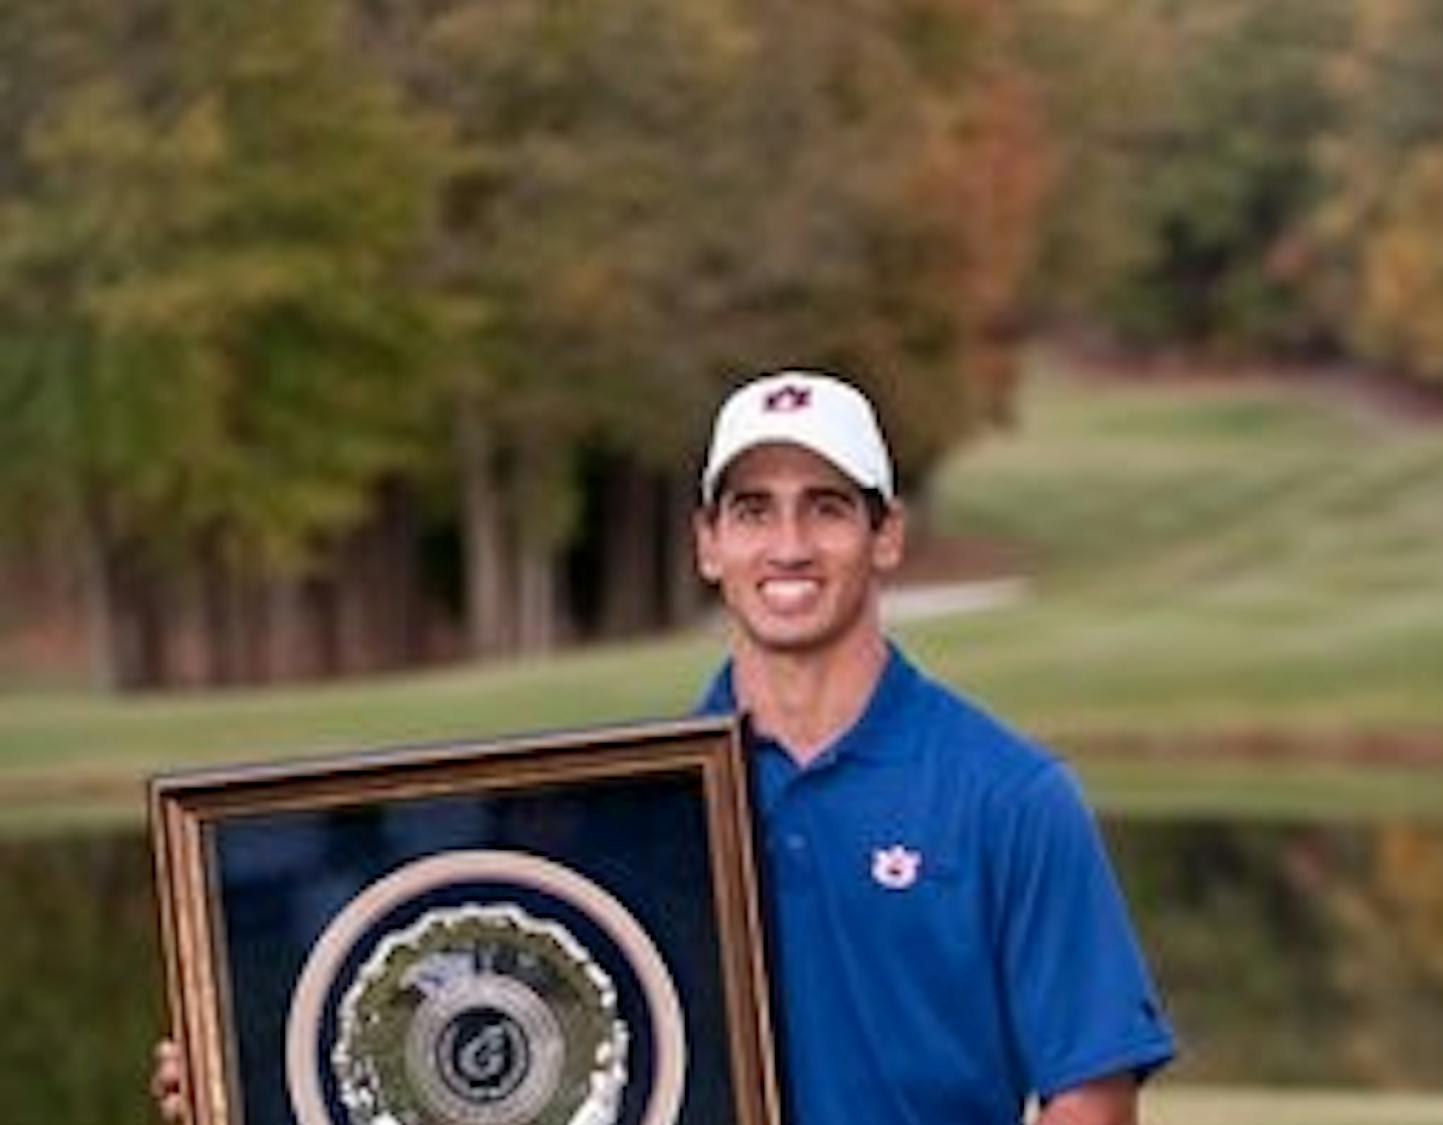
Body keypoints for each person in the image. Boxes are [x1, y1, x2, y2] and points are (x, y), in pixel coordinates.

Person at [153, 370, 1175, 1124]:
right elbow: (489, 1054)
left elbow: (1092, 1094)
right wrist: (235, 1066)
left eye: (826, 508)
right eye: (753, 510)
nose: (787, 546)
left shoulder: (1009, 796)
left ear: (886, 535)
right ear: (707, 543)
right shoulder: (631, 814)